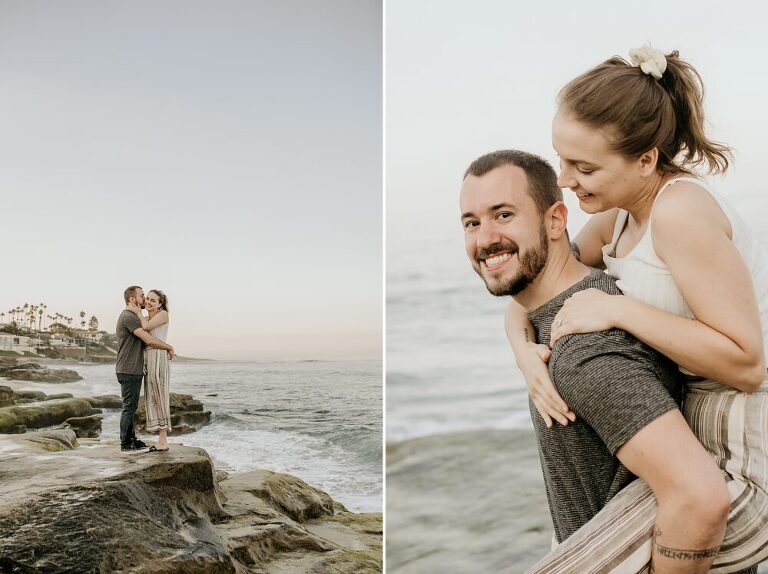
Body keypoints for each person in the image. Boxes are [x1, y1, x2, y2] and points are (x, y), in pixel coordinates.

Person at [506, 47, 768, 573]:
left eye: (584, 167)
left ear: (646, 159)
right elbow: (543, 277)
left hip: (744, 461)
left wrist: (619, 312)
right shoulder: (620, 217)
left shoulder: (680, 214)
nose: (565, 180)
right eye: (561, 160)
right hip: (691, 445)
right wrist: (522, 349)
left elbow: (747, 364)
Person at [461, 149, 730, 574]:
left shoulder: (585, 351)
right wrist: (520, 343)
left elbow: (701, 498)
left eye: (504, 215)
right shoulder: (583, 298)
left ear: (556, 221)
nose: (485, 238)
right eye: (472, 223)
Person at [115, 286, 174, 454]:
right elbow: (148, 338)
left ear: (160, 303)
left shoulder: (159, 315)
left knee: (157, 397)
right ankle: (127, 442)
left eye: (152, 299)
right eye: (145, 297)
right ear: (132, 299)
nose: (147, 301)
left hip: (152, 360)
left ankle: (142, 440)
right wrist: (169, 347)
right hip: (136, 365)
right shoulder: (132, 317)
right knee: (134, 405)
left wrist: (140, 314)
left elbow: (147, 330)